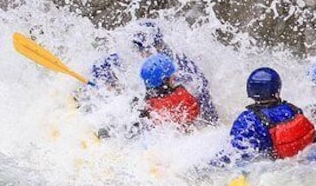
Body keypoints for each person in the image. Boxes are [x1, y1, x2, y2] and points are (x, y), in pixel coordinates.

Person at [87, 19, 219, 125]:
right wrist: (110, 86)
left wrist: (211, 120)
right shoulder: (129, 57)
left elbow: (202, 89)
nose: (143, 53)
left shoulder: (178, 63)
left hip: (161, 114)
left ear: (159, 45)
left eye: (148, 48)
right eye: (139, 49)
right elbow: (99, 67)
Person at [219, 67, 316, 165]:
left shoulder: (248, 120)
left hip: (267, 168)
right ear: (277, 88)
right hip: (299, 162)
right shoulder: (293, 110)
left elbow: (235, 155)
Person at [137, 53, 201, 131]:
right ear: (165, 80)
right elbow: (196, 112)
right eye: (172, 76)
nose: (174, 76)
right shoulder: (182, 96)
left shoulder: (147, 105)